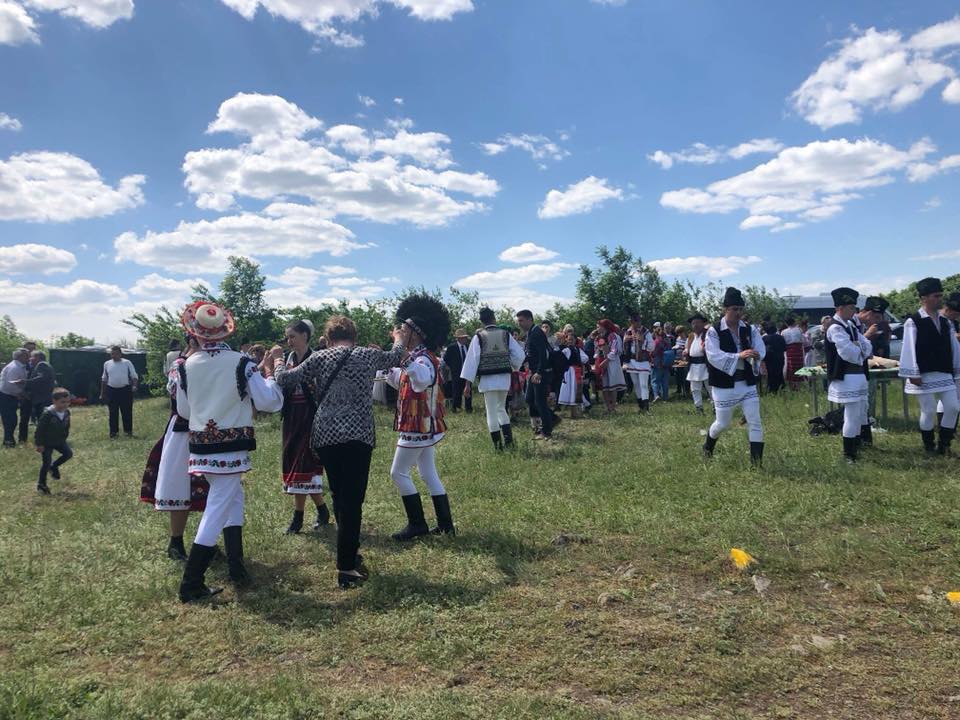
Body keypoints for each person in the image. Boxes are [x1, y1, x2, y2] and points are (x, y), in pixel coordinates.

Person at [275, 316, 408, 589]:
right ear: (354, 335)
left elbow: (286, 379)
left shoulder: (319, 357)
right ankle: (346, 567)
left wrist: (277, 360)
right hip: (358, 434)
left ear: (328, 337)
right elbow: (396, 356)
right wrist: (398, 338)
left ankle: (350, 553)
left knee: (339, 495)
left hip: (326, 434)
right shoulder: (367, 355)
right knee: (353, 500)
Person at [175, 301, 284, 602]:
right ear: (225, 331)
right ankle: (191, 582)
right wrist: (271, 374)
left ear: (196, 332)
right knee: (218, 507)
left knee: (233, 498)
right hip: (231, 447)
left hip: (201, 445)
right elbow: (270, 402)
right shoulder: (241, 362)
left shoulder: (185, 366)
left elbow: (184, 410)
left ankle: (237, 566)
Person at [385, 294, 456, 541]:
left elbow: (422, 380)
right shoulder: (417, 356)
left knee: (398, 473)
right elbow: (403, 381)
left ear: (415, 333)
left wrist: (402, 357)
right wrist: (388, 366)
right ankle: (445, 525)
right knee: (428, 473)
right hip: (423, 426)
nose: (400, 333)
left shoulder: (422, 357)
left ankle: (417, 524)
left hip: (418, 426)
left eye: (404, 330)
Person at [140, 335, 209, 561]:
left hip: (207, 430)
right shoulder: (180, 365)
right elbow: (182, 401)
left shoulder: (207, 362)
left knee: (212, 488)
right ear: (193, 342)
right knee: (180, 485)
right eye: (205, 341)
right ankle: (176, 542)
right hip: (183, 431)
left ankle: (205, 542)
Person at [703, 287, 766, 465]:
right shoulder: (714, 331)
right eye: (734, 309)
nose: (738, 313)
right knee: (722, 423)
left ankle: (756, 464)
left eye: (740, 309)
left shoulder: (749, 329)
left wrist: (757, 354)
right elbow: (713, 356)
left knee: (755, 421)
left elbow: (760, 348)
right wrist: (739, 356)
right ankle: (708, 446)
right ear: (725, 309)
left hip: (746, 382)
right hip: (724, 384)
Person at [279, 320, 331, 534]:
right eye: (287, 337)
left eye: (292, 336)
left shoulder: (316, 358)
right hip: (292, 416)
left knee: (304, 463)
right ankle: (322, 510)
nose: (289, 341)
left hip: (310, 416)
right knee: (294, 461)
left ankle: (298, 518)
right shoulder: (288, 359)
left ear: (305, 335)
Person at [899, 278, 960, 455]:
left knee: (953, 407)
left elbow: (954, 348)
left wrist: (957, 369)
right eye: (936, 296)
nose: (939, 299)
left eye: (940, 295)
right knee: (929, 409)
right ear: (924, 298)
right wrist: (913, 372)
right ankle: (929, 446)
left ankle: (944, 445)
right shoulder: (913, 321)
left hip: (944, 370)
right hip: (923, 372)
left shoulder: (945, 322)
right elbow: (908, 347)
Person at [460, 307, 525, 451]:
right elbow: (520, 355)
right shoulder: (505, 334)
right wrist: (514, 366)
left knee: (491, 412)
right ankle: (509, 443)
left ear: (482, 321)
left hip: (488, 380)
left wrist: (468, 384)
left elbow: (472, 361)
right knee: (501, 409)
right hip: (504, 378)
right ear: (494, 318)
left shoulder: (479, 337)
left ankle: (498, 447)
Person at [825, 288, 874, 463]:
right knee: (852, 415)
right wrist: (861, 352)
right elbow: (847, 352)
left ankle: (857, 446)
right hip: (846, 377)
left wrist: (860, 349)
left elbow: (866, 344)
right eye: (851, 308)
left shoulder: (850, 325)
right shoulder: (835, 327)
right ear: (841, 308)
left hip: (858, 375)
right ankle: (849, 455)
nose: (854, 311)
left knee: (860, 412)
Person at [517, 309, 555, 439]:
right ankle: (552, 418)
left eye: (521, 320)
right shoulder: (531, 332)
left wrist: (539, 372)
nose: (519, 323)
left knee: (540, 402)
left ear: (529, 319)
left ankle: (547, 431)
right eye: (518, 321)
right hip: (534, 372)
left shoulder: (537, 333)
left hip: (541, 373)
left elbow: (544, 354)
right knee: (529, 399)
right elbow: (531, 353)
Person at [34, 388, 73, 495]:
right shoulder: (48, 414)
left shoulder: (66, 412)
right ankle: (42, 484)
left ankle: (53, 466)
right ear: (54, 401)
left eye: (68, 402)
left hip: (59, 440)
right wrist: (39, 444)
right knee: (46, 462)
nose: (65, 405)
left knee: (68, 454)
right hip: (46, 443)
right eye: (62, 402)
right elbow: (40, 430)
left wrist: (64, 437)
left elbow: (66, 426)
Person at [100, 346, 138, 438]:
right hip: (111, 390)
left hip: (125, 390)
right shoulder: (107, 364)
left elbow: (134, 376)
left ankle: (128, 432)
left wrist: (134, 386)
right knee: (113, 412)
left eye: (116, 354)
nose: (114, 356)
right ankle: (113, 433)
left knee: (126, 411)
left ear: (120, 354)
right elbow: (104, 379)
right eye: (112, 354)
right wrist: (102, 393)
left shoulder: (127, 363)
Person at [623, 315, 654, 413]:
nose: (636, 323)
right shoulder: (628, 331)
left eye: (638, 321)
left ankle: (646, 407)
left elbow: (651, 347)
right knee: (636, 384)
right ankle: (641, 406)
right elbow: (623, 347)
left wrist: (643, 340)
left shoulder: (646, 332)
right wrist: (626, 340)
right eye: (633, 321)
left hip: (643, 361)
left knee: (643, 384)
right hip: (631, 361)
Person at [557, 325, 589, 417]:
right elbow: (560, 360)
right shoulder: (565, 350)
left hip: (576, 371)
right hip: (568, 372)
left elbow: (585, 358)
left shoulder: (578, 349)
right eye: (569, 339)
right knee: (570, 389)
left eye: (572, 339)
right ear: (566, 340)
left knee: (576, 389)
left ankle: (576, 412)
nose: (570, 341)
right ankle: (573, 412)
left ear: (575, 340)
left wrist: (579, 361)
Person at [595, 319, 626, 413]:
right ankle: (607, 407)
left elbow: (615, 350)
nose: (597, 329)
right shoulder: (599, 337)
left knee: (612, 385)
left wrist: (607, 359)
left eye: (599, 327)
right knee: (604, 386)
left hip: (612, 363)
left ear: (604, 326)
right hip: (602, 362)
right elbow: (597, 350)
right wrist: (597, 359)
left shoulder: (613, 336)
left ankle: (612, 407)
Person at [0, 348, 29, 447]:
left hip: (10, 396)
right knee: (10, 420)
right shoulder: (15, 367)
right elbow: (10, 385)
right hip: (6, 396)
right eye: (26, 355)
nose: (29, 357)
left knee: (11, 420)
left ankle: (9, 441)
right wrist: (22, 394)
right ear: (20, 356)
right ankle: (8, 442)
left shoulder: (19, 366)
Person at [684, 313, 710, 413]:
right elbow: (687, 348)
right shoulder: (691, 336)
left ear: (703, 323)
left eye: (698, 322)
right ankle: (699, 408)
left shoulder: (708, 334)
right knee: (694, 388)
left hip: (706, 364)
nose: (695, 325)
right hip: (693, 366)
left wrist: (706, 349)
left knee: (710, 387)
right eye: (693, 323)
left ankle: (715, 407)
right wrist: (686, 351)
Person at [443, 328, 472, 413]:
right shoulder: (452, 347)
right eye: (463, 337)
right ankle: (455, 407)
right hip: (456, 372)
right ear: (459, 338)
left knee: (468, 389)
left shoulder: (468, 346)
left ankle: (468, 408)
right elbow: (446, 359)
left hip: (467, 372)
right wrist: (453, 367)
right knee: (456, 390)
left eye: (465, 337)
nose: (465, 339)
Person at [25, 351, 55, 428]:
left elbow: (41, 378)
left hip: (42, 397)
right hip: (43, 397)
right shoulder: (45, 365)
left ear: (37, 357)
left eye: (32, 357)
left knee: (42, 419)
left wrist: (25, 382)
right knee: (42, 419)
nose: (30, 359)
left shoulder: (42, 364)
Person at [762, 323, 786, 394]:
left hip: (769, 359)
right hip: (780, 358)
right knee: (779, 373)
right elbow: (785, 348)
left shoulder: (764, 338)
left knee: (770, 374)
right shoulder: (780, 337)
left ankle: (771, 389)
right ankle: (781, 388)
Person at [782, 317, 804, 390]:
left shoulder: (783, 332)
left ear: (786, 324)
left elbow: (783, 343)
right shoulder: (799, 330)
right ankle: (798, 386)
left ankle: (791, 387)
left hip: (789, 351)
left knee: (790, 368)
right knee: (799, 367)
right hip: (798, 350)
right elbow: (802, 340)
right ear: (794, 322)